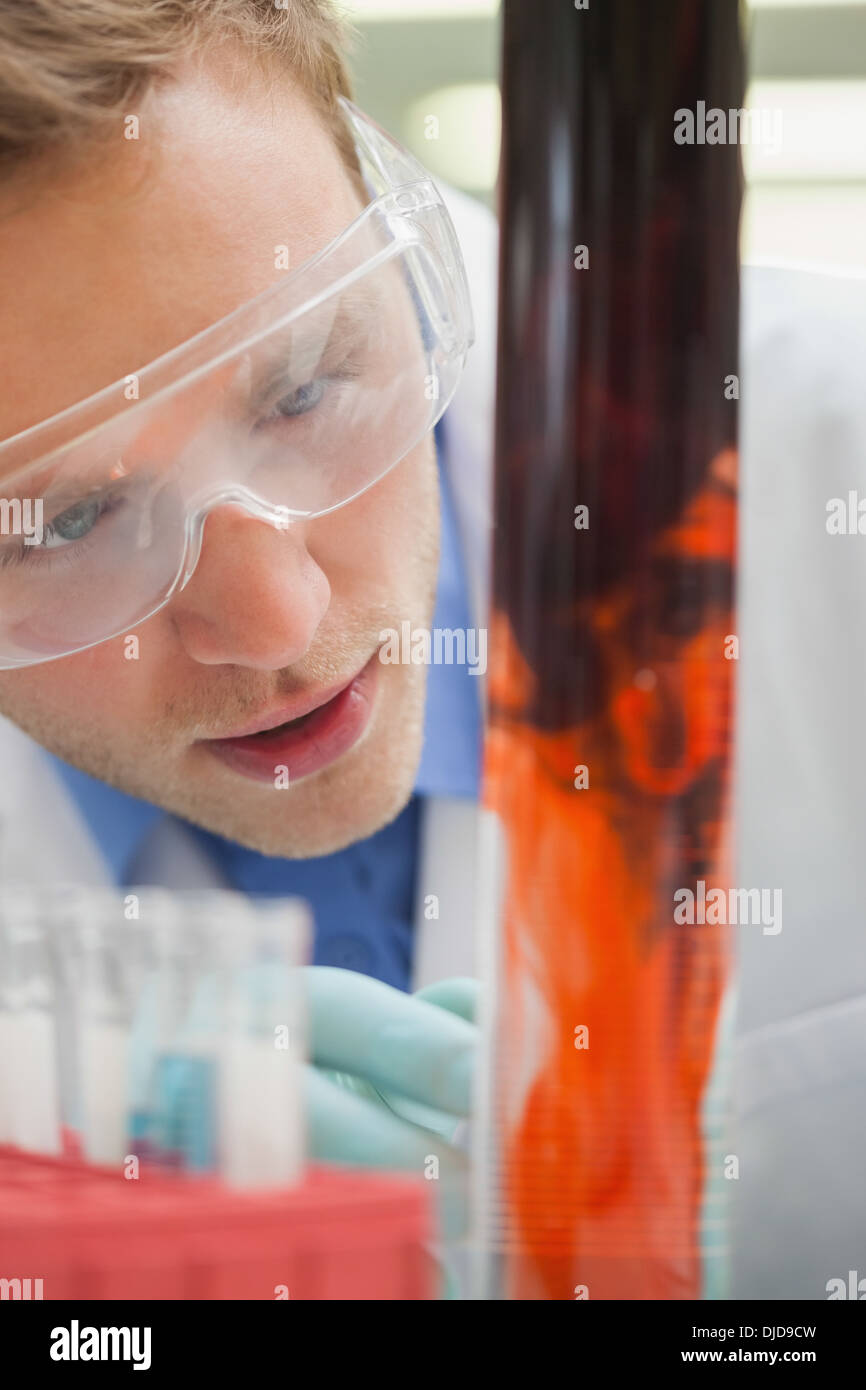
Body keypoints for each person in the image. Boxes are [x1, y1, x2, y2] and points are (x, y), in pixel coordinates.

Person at [0, 0, 864, 1298]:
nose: (277, 622)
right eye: (68, 520)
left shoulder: (823, 457)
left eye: (302, 387)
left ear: (390, 219)